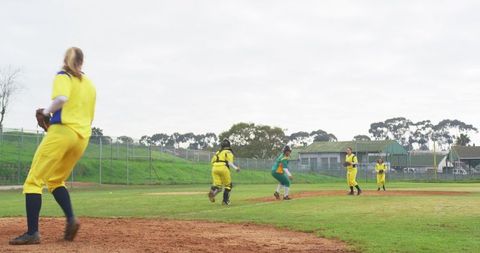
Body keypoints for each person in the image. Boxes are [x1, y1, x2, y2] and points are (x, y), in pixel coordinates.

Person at [10, 47, 96, 245]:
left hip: (62, 132)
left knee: (33, 181)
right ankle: (71, 218)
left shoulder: (64, 75)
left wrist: (46, 113)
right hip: (82, 137)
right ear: (82, 62)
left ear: (65, 60)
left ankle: (32, 233)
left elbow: (62, 98)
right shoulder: (90, 85)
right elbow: (89, 116)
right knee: (55, 180)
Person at [208, 139, 240, 205]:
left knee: (218, 186)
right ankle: (225, 201)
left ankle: (213, 193)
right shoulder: (228, 152)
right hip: (223, 167)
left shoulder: (217, 152)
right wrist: (236, 168)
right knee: (228, 185)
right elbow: (229, 162)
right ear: (228, 145)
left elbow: (212, 162)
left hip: (214, 168)